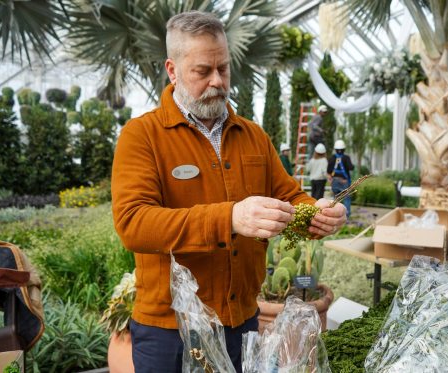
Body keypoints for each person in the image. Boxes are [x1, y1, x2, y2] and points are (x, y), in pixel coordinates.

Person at [110, 11, 347, 373]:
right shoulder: (142, 136)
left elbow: (290, 198)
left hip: (241, 323)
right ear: (172, 71)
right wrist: (231, 217)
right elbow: (134, 224)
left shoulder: (252, 136)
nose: (217, 81)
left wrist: (318, 213)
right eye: (202, 71)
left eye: (223, 69)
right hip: (169, 330)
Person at [327, 139, 355, 219]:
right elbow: (351, 167)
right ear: (344, 149)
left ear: (335, 149)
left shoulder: (332, 158)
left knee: (336, 198)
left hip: (335, 180)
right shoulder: (346, 158)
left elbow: (329, 170)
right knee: (346, 198)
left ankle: (334, 215)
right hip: (344, 181)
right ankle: (347, 215)